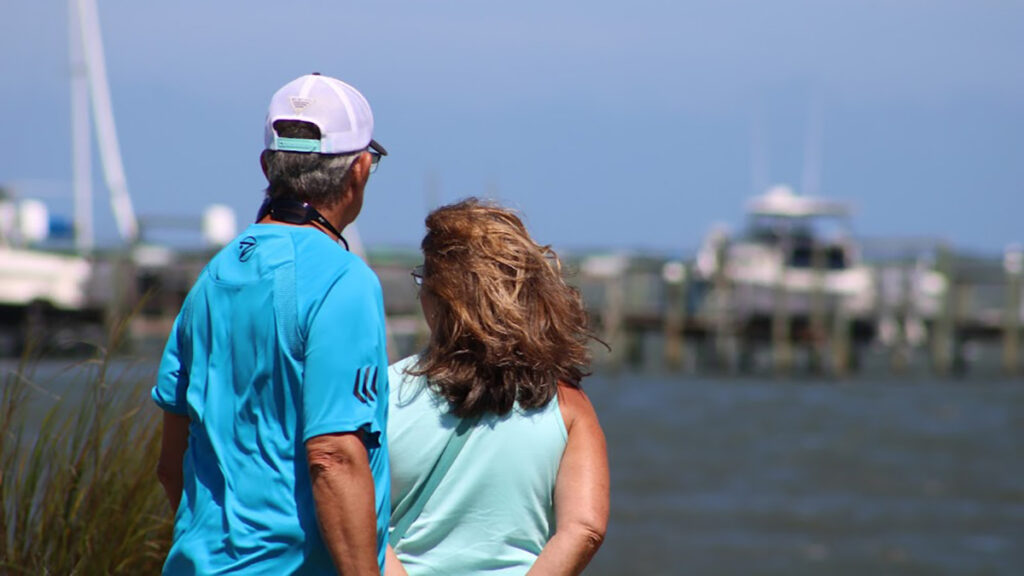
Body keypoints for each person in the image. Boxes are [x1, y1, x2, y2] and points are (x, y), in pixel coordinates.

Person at [152, 72, 391, 575]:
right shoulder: (345, 281)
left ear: (268, 164)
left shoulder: (210, 280)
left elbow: (171, 464)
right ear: (361, 170)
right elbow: (333, 456)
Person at [385, 198, 609, 576]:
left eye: (423, 278)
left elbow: (352, 517)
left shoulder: (379, 395)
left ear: (442, 295)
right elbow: (585, 527)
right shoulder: (567, 404)